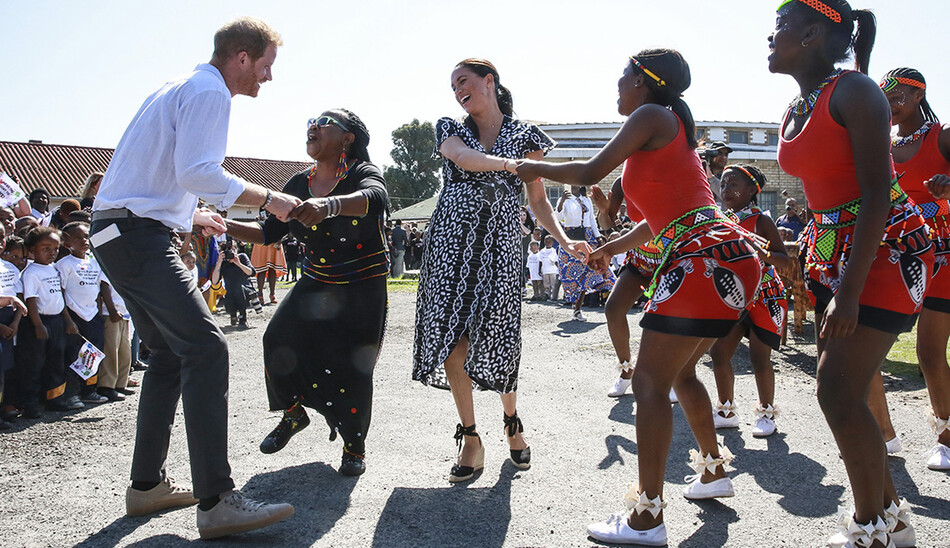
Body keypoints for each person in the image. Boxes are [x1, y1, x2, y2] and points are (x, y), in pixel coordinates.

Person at [518, 48, 762, 546]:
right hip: (721, 254)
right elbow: (661, 217)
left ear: (644, 81)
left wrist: (528, 167)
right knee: (680, 373)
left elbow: (588, 172)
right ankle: (714, 473)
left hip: (700, 260)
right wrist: (613, 246)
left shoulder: (652, 114)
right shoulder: (669, 128)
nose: (618, 83)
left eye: (624, 74)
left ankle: (646, 519)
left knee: (650, 384)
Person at [89, 17, 296, 539]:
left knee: (165, 355)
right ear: (243, 57)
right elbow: (198, 172)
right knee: (206, 348)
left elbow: (158, 171)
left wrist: (190, 216)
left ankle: (146, 487)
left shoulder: (179, 84)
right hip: (138, 237)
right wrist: (271, 198)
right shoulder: (212, 92)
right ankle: (217, 499)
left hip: (119, 231)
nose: (268, 78)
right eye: (267, 66)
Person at [770, 2, 934, 546]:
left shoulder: (854, 91)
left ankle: (871, 528)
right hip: (833, 253)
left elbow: (876, 195)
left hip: (881, 251)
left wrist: (849, 290)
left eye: (781, 29)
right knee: (846, 392)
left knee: (836, 393)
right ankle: (893, 519)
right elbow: (828, 190)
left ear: (814, 34)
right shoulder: (800, 104)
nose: (769, 38)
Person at [412, 58, 590, 483]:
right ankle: (470, 437)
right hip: (450, 243)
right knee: (454, 336)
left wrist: (565, 242)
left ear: (489, 82)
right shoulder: (450, 128)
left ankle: (511, 419)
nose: (457, 90)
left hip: (501, 246)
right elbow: (463, 158)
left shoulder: (526, 134)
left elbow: (539, 202)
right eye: (453, 85)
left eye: (464, 81)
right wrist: (512, 165)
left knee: (500, 335)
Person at [225, 109, 388, 476]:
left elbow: (374, 199)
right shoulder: (299, 183)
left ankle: (353, 448)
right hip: (318, 279)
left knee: (353, 366)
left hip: (363, 283)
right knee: (277, 338)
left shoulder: (361, 173)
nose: (313, 126)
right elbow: (269, 233)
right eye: (311, 121)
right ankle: (293, 414)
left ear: (348, 138)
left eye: (325, 121)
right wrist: (225, 225)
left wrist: (329, 206)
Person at [876, 67, 950, 471]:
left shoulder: (943, 137)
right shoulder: (883, 146)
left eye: (898, 95)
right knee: (868, 348)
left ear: (919, 95)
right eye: (884, 97)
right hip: (896, 254)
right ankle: (884, 436)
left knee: (928, 351)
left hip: (943, 254)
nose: (889, 103)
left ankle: (947, 434)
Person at [708, 165, 794, 438]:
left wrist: (762, 252)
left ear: (752, 190)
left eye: (734, 184)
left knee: (760, 358)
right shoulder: (720, 219)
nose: (726, 190)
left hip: (765, 295)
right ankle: (726, 411)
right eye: (723, 184)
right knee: (719, 353)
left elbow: (784, 259)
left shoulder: (762, 220)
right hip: (733, 297)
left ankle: (766, 413)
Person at [589, 180, 662, 399]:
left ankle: (670, 377)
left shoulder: (669, 173)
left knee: (661, 320)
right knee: (613, 309)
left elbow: (654, 224)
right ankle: (625, 371)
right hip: (639, 258)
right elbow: (606, 224)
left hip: (669, 260)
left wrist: (610, 248)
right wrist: (603, 210)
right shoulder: (624, 181)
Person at [19, 227, 80, 416]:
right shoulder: (31, 273)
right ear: (32, 250)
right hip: (39, 322)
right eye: (46, 248)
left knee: (56, 360)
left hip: (56, 321)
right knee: (35, 363)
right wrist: (37, 324)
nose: (51, 253)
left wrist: (68, 321)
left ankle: (55, 398)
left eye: (55, 248)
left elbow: (59, 298)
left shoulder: (54, 269)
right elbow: (31, 300)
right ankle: (31, 403)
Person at [56, 222, 114, 404]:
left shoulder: (94, 262)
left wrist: (97, 314)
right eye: (77, 238)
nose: (83, 240)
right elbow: (61, 293)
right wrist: (68, 320)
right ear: (67, 243)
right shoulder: (64, 264)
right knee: (74, 356)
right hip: (74, 317)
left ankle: (89, 390)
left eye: (86, 236)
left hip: (92, 316)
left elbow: (98, 290)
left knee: (92, 355)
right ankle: (72, 393)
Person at [557, 185, 615, 321]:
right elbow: (558, 218)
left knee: (589, 271)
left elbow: (592, 221)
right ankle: (574, 305)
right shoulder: (565, 199)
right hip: (571, 238)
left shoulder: (586, 199)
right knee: (571, 274)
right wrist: (561, 203)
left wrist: (598, 237)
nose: (575, 184)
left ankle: (578, 308)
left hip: (588, 237)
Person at [210, 240, 255, 327]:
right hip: (230, 290)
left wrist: (238, 263)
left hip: (245, 288)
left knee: (238, 288)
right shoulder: (222, 263)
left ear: (236, 249)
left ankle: (243, 316)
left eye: (232, 249)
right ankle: (233, 314)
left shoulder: (242, 257)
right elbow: (214, 281)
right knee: (230, 291)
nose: (230, 253)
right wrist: (219, 263)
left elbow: (252, 273)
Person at [250, 239, 287, 304]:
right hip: (261, 239)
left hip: (274, 240)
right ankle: (260, 294)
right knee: (262, 268)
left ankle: (272, 294)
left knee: (273, 268)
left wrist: (279, 240)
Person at [701, 141, 732, 206]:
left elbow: (731, 196)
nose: (723, 157)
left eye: (726, 154)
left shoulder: (729, 176)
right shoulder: (701, 175)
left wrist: (711, 178)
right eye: (719, 153)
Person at [538, 235, 560, 301]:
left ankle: (554, 297)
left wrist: (558, 269)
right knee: (546, 284)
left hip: (553, 270)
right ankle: (547, 295)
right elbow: (540, 261)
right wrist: (539, 270)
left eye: (549, 241)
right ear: (544, 242)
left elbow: (556, 261)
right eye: (546, 241)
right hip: (545, 270)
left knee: (553, 284)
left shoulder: (554, 251)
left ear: (552, 242)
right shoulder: (542, 251)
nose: (548, 243)